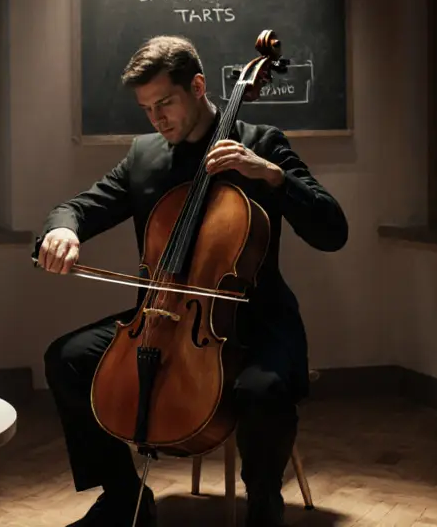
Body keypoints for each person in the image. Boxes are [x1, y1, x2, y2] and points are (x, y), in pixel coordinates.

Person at [35, 35, 349, 527]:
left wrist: (272, 177)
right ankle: (123, 495)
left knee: (261, 391)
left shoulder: (261, 144)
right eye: (146, 109)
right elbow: (77, 207)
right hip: (165, 316)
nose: (157, 119)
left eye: (165, 103)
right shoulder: (145, 158)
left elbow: (334, 230)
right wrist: (61, 230)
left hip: (258, 319)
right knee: (66, 358)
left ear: (198, 86)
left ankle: (264, 505)